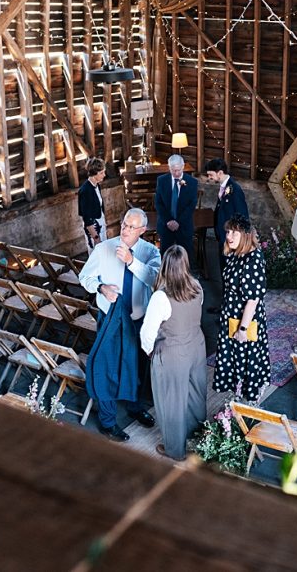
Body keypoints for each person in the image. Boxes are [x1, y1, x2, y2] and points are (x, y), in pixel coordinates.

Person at [79, 208, 162, 442]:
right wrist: (101, 288)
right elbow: (85, 277)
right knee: (106, 368)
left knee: (137, 367)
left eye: (131, 227)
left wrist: (132, 262)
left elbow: (155, 280)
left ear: (143, 230)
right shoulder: (103, 248)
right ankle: (107, 421)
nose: (125, 230)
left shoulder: (150, 252)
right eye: (124, 224)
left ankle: (135, 407)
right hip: (110, 319)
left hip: (138, 320)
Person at [140, 245, 207, 461]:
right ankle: (200, 435)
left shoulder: (161, 297)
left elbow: (147, 333)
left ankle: (174, 450)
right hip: (196, 345)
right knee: (196, 392)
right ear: (185, 264)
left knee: (171, 400)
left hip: (172, 352)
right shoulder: (197, 286)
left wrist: (150, 352)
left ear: (165, 266)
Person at [213, 215, 270, 403]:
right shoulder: (236, 254)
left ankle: (250, 403)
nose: (229, 236)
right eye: (228, 231)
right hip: (231, 317)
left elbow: (252, 300)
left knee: (247, 359)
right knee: (234, 359)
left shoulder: (252, 259)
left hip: (245, 320)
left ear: (245, 235)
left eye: (234, 232)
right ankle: (237, 396)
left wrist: (242, 329)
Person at [154, 154, 198, 259]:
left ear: (183, 167)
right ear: (169, 168)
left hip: (183, 225)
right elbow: (158, 203)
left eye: (179, 170)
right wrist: (168, 221)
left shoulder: (192, 182)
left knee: (185, 256)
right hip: (166, 225)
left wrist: (178, 222)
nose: (176, 173)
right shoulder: (161, 180)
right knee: (165, 255)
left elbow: (191, 205)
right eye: (173, 170)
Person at [204, 158, 249, 247]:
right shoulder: (224, 187)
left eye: (210, 174)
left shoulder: (235, 190)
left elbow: (242, 215)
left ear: (220, 173)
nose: (209, 178)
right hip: (223, 236)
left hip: (230, 239)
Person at [78, 157, 108, 250]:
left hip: (101, 224)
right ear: (94, 174)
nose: (104, 175)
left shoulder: (97, 185)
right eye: (101, 173)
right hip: (93, 229)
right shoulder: (85, 191)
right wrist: (96, 237)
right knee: (96, 256)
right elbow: (87, 219)